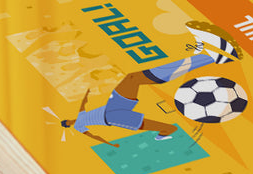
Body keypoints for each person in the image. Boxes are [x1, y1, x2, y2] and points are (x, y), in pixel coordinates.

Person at [62, 20, 240, 144]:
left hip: (113, 106)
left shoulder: (78, 116)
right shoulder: (79, 126)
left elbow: (83, 103)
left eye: (66, 121)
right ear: (70, 126)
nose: (68, 122)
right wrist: (110, 145)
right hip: (113, 117)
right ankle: (212, 57)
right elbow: (93, 136)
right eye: (67, 123)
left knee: (132, 77)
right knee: (138, 84)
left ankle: (210, 57)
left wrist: (88, 90)